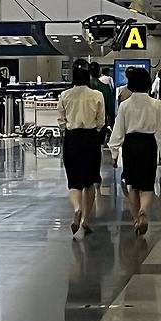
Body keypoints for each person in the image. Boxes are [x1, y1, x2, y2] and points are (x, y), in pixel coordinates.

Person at [108, 68, 161, 236]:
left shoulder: (125, 105)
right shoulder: (156, 104)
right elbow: (160, 131)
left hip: (131, 145)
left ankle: (136, 219)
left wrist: (114, 154)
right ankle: (144, 210)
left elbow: (118, 131)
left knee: (133, 186)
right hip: (149, 144)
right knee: (147, 185)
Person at [58, 59, 105, 236]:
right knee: (90, 181)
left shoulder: (65, 95)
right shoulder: (96, 95)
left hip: (72, 139)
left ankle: (77, 208)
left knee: (74, 181)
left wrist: (67, 130)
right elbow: (101, 122)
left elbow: (61, 121)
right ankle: (86, 219)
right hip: (91, 138)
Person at [89, 62, 115, 132]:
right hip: (101, 123)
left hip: (84, 125)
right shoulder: (105, 88)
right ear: (99, 71)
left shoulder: (82, 89)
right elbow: (110, 108)